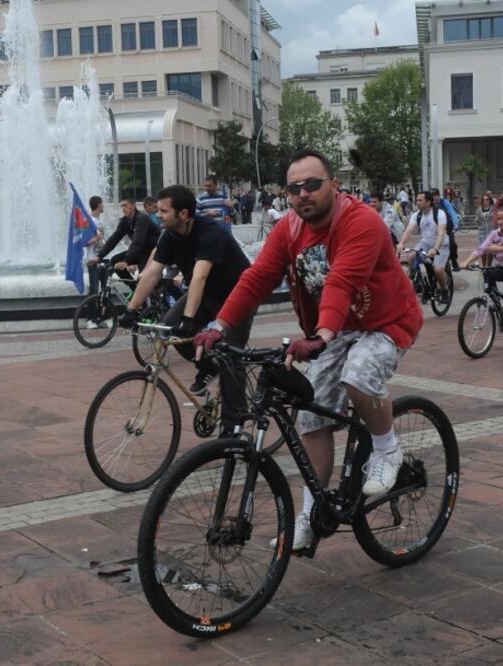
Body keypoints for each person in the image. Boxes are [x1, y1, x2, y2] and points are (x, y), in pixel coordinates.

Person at [194, 149, 423, 553]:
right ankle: (311, 513)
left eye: (313, 184)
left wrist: (321, 335)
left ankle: (387, 448)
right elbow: (257, 277)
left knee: (359, 373)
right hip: (332, 330)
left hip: (385, 323)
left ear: (334, 185)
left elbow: (341, 280)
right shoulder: (290, 228)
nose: (303, 194)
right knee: (309, 418)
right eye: (294, 188)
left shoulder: (361, 221)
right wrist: (219, 325)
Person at [118, 185, 253, 429]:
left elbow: (200, 276)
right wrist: (130, 309)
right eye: (157, 210)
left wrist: (189, 320)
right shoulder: (169, 235)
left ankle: (234, 429)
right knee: (169, 326)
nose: (157, 214)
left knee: (231, 358)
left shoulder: (210, 232)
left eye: (163, 210)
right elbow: (152, 273)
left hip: (238, 296)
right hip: (207, 294)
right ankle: (208, 366)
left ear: (183, 214)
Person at [459, 206, 503, 346]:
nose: (501, 222)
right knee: (487, 272)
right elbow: (482, 249)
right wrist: (466, 262)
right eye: (499, 219)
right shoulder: (494, 234)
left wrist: (499, 248)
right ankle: (496, 304)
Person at [87, 195, 158, 282]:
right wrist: (99, 256)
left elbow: (137, 241)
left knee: (145, 280)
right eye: (122, 206)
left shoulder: (142, 218)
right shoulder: (125, 221)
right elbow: (114, 239)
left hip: (152, 252)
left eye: (126, 205)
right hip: (140, 251)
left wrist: (126, 261)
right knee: (114, 261)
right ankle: (135, 289)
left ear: (133, 206)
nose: (123, 208)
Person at [398, 191, 451, 296]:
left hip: (441, 245)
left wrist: (435, 249)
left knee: (438, 269)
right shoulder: (417, 215)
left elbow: (441, 232)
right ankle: (417, 281)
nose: (417, 202)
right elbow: (409, 230)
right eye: (416, 200)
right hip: (425, 243)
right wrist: (401, 243)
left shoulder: (439, 213)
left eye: (420, 200)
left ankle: (445, 289)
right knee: (411, 256)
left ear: (428, 202)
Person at [84, 195, 108, 329]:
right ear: (98, 205)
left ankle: (100, 318)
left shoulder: (100, 222)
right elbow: (83, 242)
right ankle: (90, 319)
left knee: (104, 290)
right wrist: (96, 238)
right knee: (94, 290)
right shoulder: (88, 222)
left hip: (102, 258)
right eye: (102, 203)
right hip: (92, 259)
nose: (103, 206)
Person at [431, 188, 461, 271]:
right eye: (432, 196)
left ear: (438, 195)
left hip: (447, 229)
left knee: (452, 244)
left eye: (436, 195)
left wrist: (456, 224)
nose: (434, 198)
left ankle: (454, 260)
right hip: (435, 230)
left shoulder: (444, 202)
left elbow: (452, 213)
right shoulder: (429, 204)